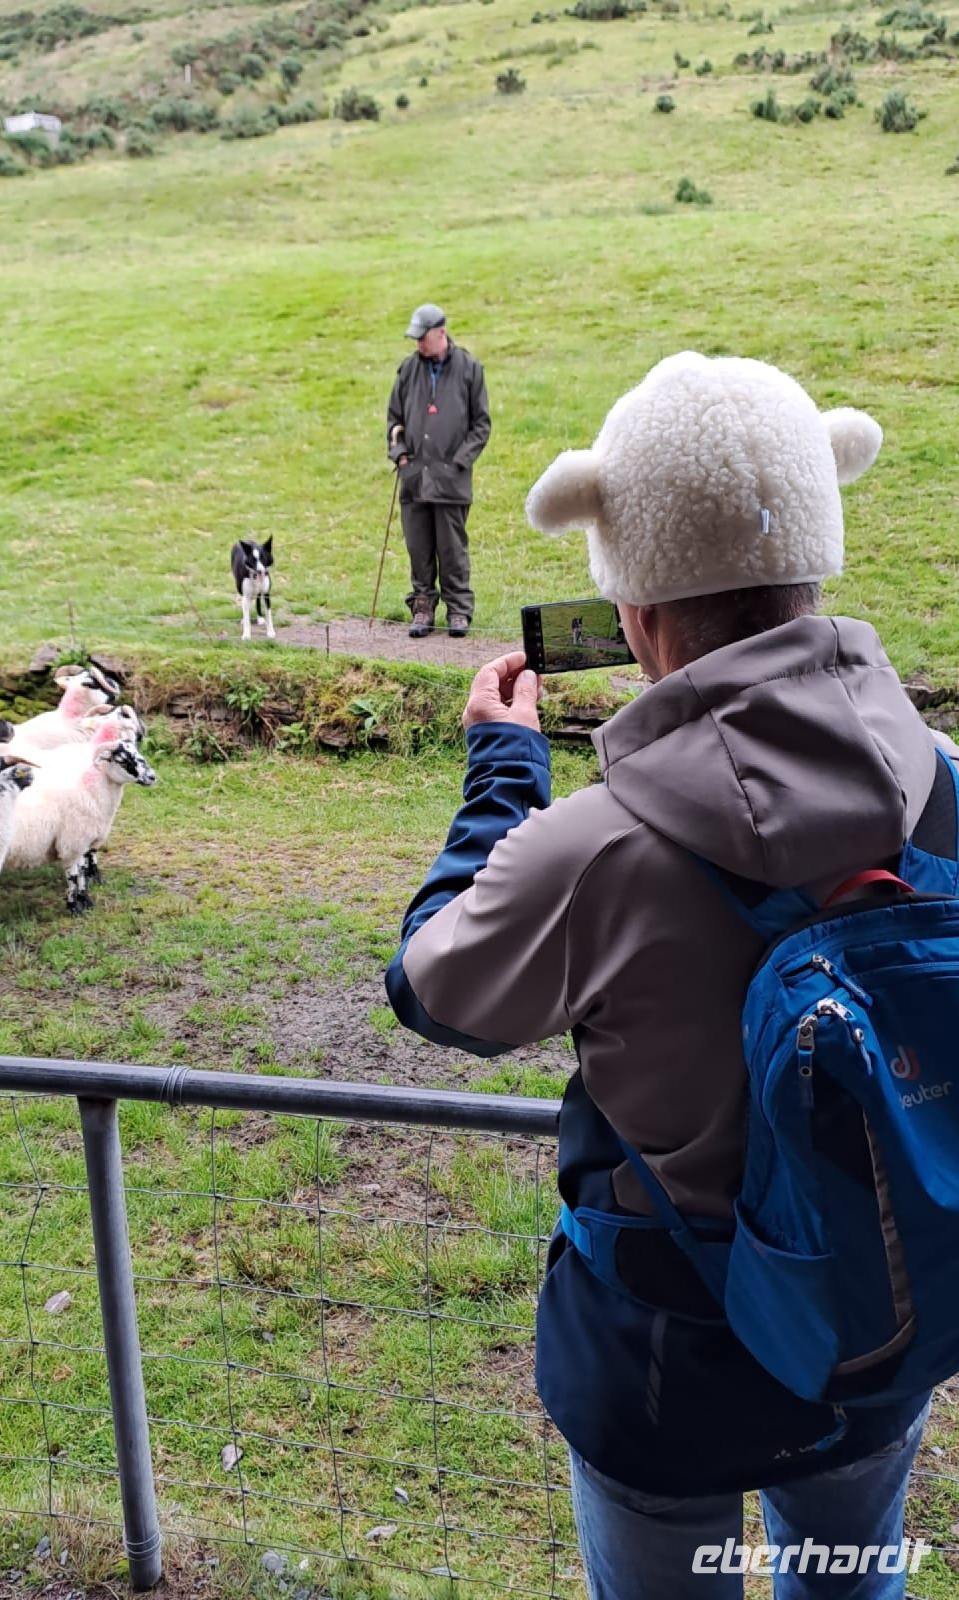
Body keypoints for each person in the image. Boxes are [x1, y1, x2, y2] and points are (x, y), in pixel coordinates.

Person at [385, 352, 943, 1598]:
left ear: (633, 609)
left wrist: (502, 780)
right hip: (883, 1329)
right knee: (850, 1579)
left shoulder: (591, 852)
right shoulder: (942, 783)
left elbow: (435, 988)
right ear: (817, 556)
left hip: (666, 1368)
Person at [386, 303, 491, 639]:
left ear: (441, 332)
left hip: (451, 480)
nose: (418, 344)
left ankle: (459, 610)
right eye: (415, 338)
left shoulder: (469, 368)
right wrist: (400, 454)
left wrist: (459, 461)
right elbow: (394, 420)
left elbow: (481, 425)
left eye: (422, 337)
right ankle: (422, 607)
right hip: (414, 479)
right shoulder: (407, 370)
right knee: (419, 548)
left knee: (451, 548)